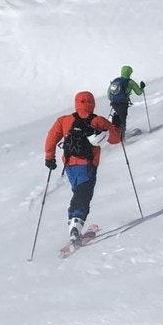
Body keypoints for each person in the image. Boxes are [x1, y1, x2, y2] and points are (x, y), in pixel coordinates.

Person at [43, 91, 122, 246]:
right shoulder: (98, 121)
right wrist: (117, 124)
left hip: (70, 166)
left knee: (79, 191)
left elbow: (51, 138)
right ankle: (75, 225)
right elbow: (115, 139)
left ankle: (74, 222)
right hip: (87, 165)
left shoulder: (64, 120)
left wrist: (49, 157)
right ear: (92, 103)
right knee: (84, 195)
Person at [106, 65, 146, 137]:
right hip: (123, 103)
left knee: (117, 116)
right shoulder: (130, 82)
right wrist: (142, 87)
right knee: (122, 119)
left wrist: (114, 99)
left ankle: (115, 133)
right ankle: (121, 136)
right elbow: (139, 92)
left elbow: (108, 93)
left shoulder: (116, 80)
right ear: (130, 73)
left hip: (114, 103)